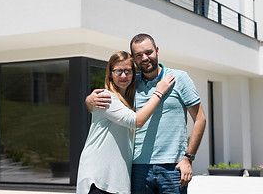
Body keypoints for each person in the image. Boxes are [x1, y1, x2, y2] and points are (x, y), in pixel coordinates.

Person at [86, 34, 206, 193]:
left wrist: (188, 159)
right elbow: (111, 102)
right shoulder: (130, 83)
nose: (145, 58)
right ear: (134, 59)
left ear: (157, 51)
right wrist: (89, 100)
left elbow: (200, 119)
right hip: (138, 167)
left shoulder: (179, 78)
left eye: (148, 52)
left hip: (173, 167)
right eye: (138, 55)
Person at [77, 51, 175, 194]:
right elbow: (136, 121)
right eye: (118, 71)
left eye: (127, 71)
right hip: (99, 179)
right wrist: (159, 92)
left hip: (115, 181)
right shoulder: (106, 97)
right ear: (110, 73)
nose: (123, 76)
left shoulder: (129, 100)